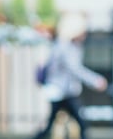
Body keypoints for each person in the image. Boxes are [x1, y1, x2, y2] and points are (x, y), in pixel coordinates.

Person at [31, 11, 108, 139]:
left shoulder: (65, 45)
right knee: (79, 124)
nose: (85, 35)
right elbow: (75, 69)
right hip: (62, 91)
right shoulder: (66, 47)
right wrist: (96, 80)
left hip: (63, 91)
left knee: (53, 126)